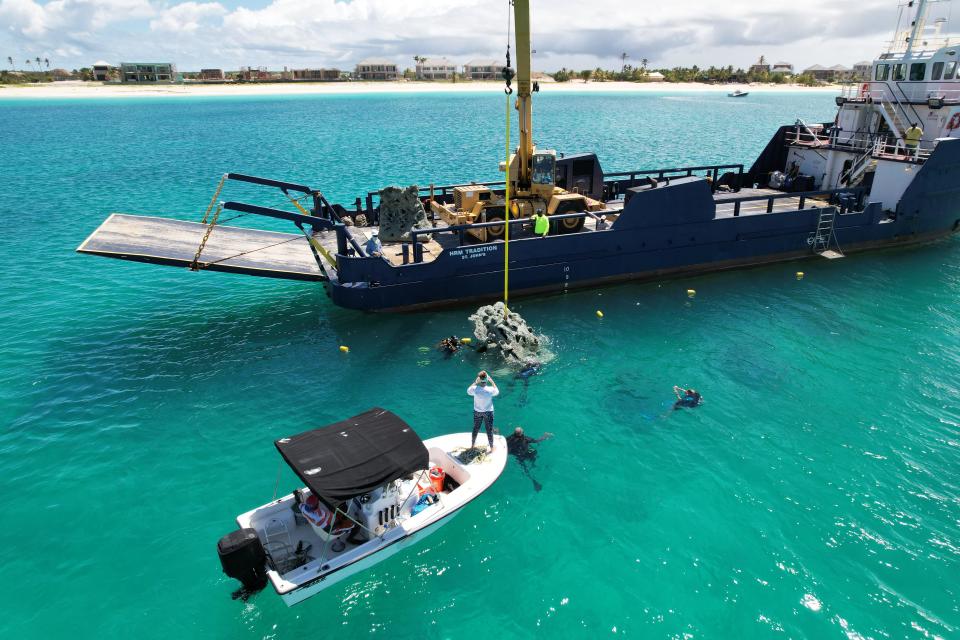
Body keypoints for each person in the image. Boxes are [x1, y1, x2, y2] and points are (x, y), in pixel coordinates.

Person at [506, 426, 553, 491]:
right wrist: (545, 436)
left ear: (514, 433)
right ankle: (534, 465)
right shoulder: (525, 439)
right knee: (534, 452)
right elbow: (537, 441)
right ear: (522, 433)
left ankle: (533, 480)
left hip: (519, 456)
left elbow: (502, 442)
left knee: (525, 469)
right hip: (526, 454)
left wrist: (496, 432)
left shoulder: (509, 438)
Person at [467, 370, 499, 450]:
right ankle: (491, 448)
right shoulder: (491, 390)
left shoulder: (475, 389)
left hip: (477, 412)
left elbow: (468, 390)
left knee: (476, 428)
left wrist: (475, 382)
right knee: (489, 430)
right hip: (488, 412)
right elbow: (497, 391)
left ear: (479, 379)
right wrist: (492, 381)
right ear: (487, 379)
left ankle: (472, 445)